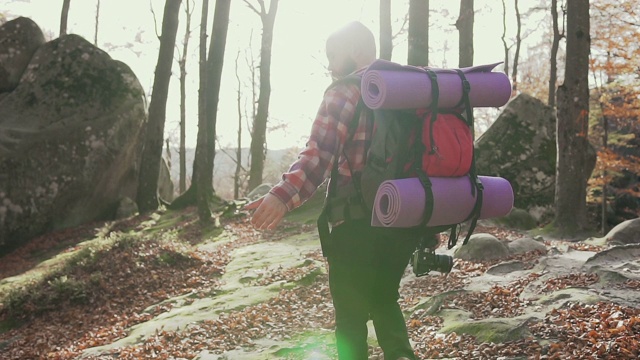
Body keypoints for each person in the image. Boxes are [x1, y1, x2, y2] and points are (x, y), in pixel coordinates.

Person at [245, 21, 418, 360]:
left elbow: (319, 155)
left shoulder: (345, 91)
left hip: (355, 225)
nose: (329, 65)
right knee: (385, 300)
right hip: (401, 221)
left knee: (351, 322)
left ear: (355, 51)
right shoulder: (407, 95)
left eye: (333, 55)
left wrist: (282, 195)